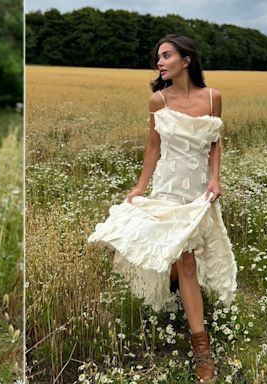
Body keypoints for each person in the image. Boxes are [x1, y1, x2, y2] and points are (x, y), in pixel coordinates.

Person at [88, 34, 237, 383]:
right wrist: (140, 187)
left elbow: (215, 143)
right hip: (168, 189)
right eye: (158, 57)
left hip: (199, 192)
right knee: (186, 260)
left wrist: (215, 180)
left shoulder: (213, 98)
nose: (160, 62)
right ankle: (203, 352)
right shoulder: (158, 101)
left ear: (186, 61)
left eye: (167, 55)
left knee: (187, 258)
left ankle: (176, 289)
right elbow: (153, 147)